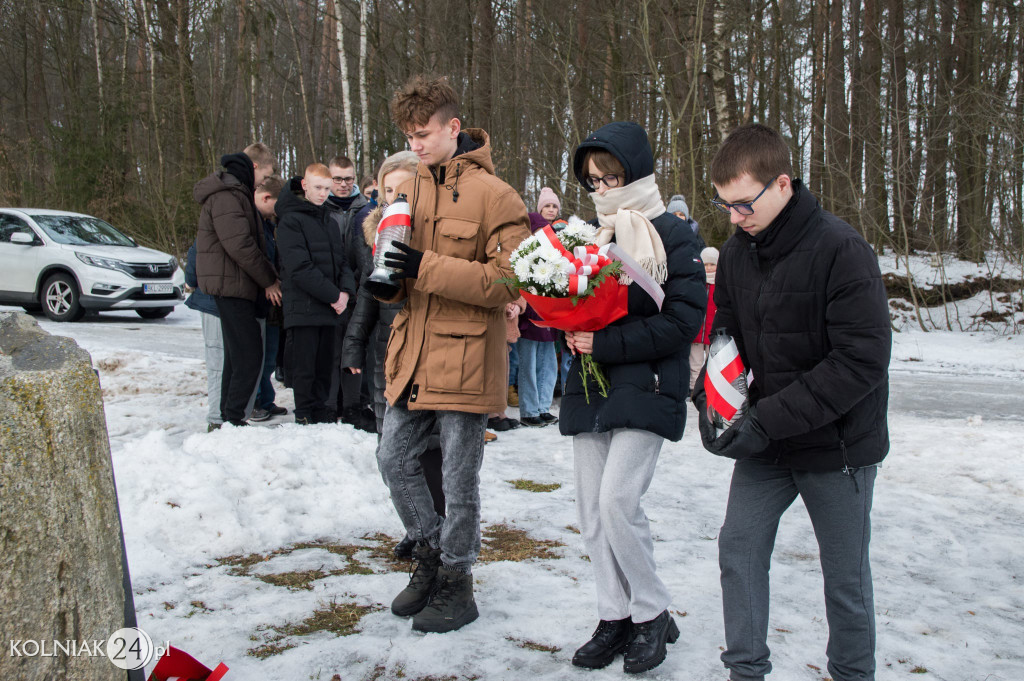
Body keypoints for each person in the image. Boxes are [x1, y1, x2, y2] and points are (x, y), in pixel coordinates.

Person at [692, 123, 891, 681]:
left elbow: (861, 362)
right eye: (724, 204)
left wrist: (765, 419)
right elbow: (726, 338)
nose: (734, 216)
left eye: (743, 203)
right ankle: (746, 671)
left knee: (845, 578)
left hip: (839, 446)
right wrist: (713, 403)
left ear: (783, 184)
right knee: (739, 549)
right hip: (767, 442)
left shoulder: (842, 248)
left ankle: (852, 674)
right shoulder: (735, 255)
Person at [374, 75, 530, 634]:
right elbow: (398, 274)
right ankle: (430, 554)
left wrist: (423, 267)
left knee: (461, 483)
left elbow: (509, 282)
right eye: (408, 136)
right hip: (412, 352)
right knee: (393, 458)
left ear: (453, 127)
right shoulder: (407, 190)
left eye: (423, 134)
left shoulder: (499, 196)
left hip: (465, 359)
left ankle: (457, 585)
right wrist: (389, 277)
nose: (414, 144)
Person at [560, 122, 706, 674]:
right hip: (590, 385)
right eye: (592, 180)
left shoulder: (672, 233)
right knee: (591, 511)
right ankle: (613, 613)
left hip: (647, 385)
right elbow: (569, 302)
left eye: (611, 176)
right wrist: (566, 325)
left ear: (637, 171)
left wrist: (605, 340)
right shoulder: (588, 237)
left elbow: (685, 319)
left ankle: (652, 613)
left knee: (619, 501)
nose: (601, 189)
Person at [342, 150, 446, 559]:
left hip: (426, 358)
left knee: (427, 454)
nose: (395, 197)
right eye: (387, 190)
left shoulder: (434, 236)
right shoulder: (374, 235)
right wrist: (353, 342)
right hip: (386, 359)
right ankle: (416, 527)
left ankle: (436, 530)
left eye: (404, 189)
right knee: (389, 453)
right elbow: (368, 297)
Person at [195, 144, 281, 427]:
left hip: (235, 284)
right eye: (265, 174)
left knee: (237, 356)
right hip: (230, 285)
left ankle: (228, 419)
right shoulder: (227, 196)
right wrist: (268, 280)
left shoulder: (235, 192)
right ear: (255, 167)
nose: (263, 182)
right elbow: (241, 245)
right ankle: (232, 419)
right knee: (248, 355)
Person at [276, 164, 355, 424]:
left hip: (330, 308)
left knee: (325, 366)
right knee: (304, 367)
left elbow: (342, 261)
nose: (323, 194)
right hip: (304, 307)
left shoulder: (329, 222)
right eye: (318, 188)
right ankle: (305, 414)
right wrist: (334, 295)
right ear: (305, 186)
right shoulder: (290, 220)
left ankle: (322, 413)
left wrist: (344, 293)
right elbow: (299, 268)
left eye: (326, 188)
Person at [325, 154, 370, 425]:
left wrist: (353, 284)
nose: (343, 184)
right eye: (338, 179)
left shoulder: (364, 208)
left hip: (356, 288)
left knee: (354, 349)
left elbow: (364, 252)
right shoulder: (321, 206)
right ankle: (330, 404)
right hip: (328, 291)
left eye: (348, 179)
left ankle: (353, 405)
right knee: (330, 351)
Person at [517, 206, 561, 428]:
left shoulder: (553, 257)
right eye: (539, 232)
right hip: (529, 321)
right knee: (529, 367)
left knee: (548, 366)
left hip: (549, 320)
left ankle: (544, 407)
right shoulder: (523, 258)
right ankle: (529, 410)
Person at [251, 176, 289, 421]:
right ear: (266, 198)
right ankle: (253, 402)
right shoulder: (250, 221)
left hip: (273, 303)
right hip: (258, 298)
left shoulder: (268, 222)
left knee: (269, 356)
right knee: (256, 356)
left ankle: (266, 399)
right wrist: (269, 281)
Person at [688, 246, 718, 393]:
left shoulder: (721, 284)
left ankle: (709, 388)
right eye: (705, 264)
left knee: (712, 362)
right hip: (697, 329)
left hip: (713, 329)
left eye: (712, 264)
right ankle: (694, 388)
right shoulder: (697, 281)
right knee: (695, 362)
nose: (709, 268)